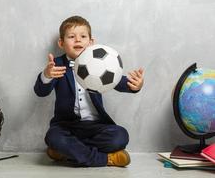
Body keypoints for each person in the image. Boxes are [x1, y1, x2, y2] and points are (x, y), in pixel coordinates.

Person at [34, 16, 144, 167]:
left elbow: (116, 80)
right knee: (54, 137)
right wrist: (46, 75)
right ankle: (106, 159)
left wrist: (134, 85)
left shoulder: (100, 62)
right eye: (71, 37)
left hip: (95, 127)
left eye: (83, 36)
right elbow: (40, 91)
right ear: (61, 43)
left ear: (91, 42)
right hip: (67, 127)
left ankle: (66, 152)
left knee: (120, 136)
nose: (78, 40)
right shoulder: (57, 66)